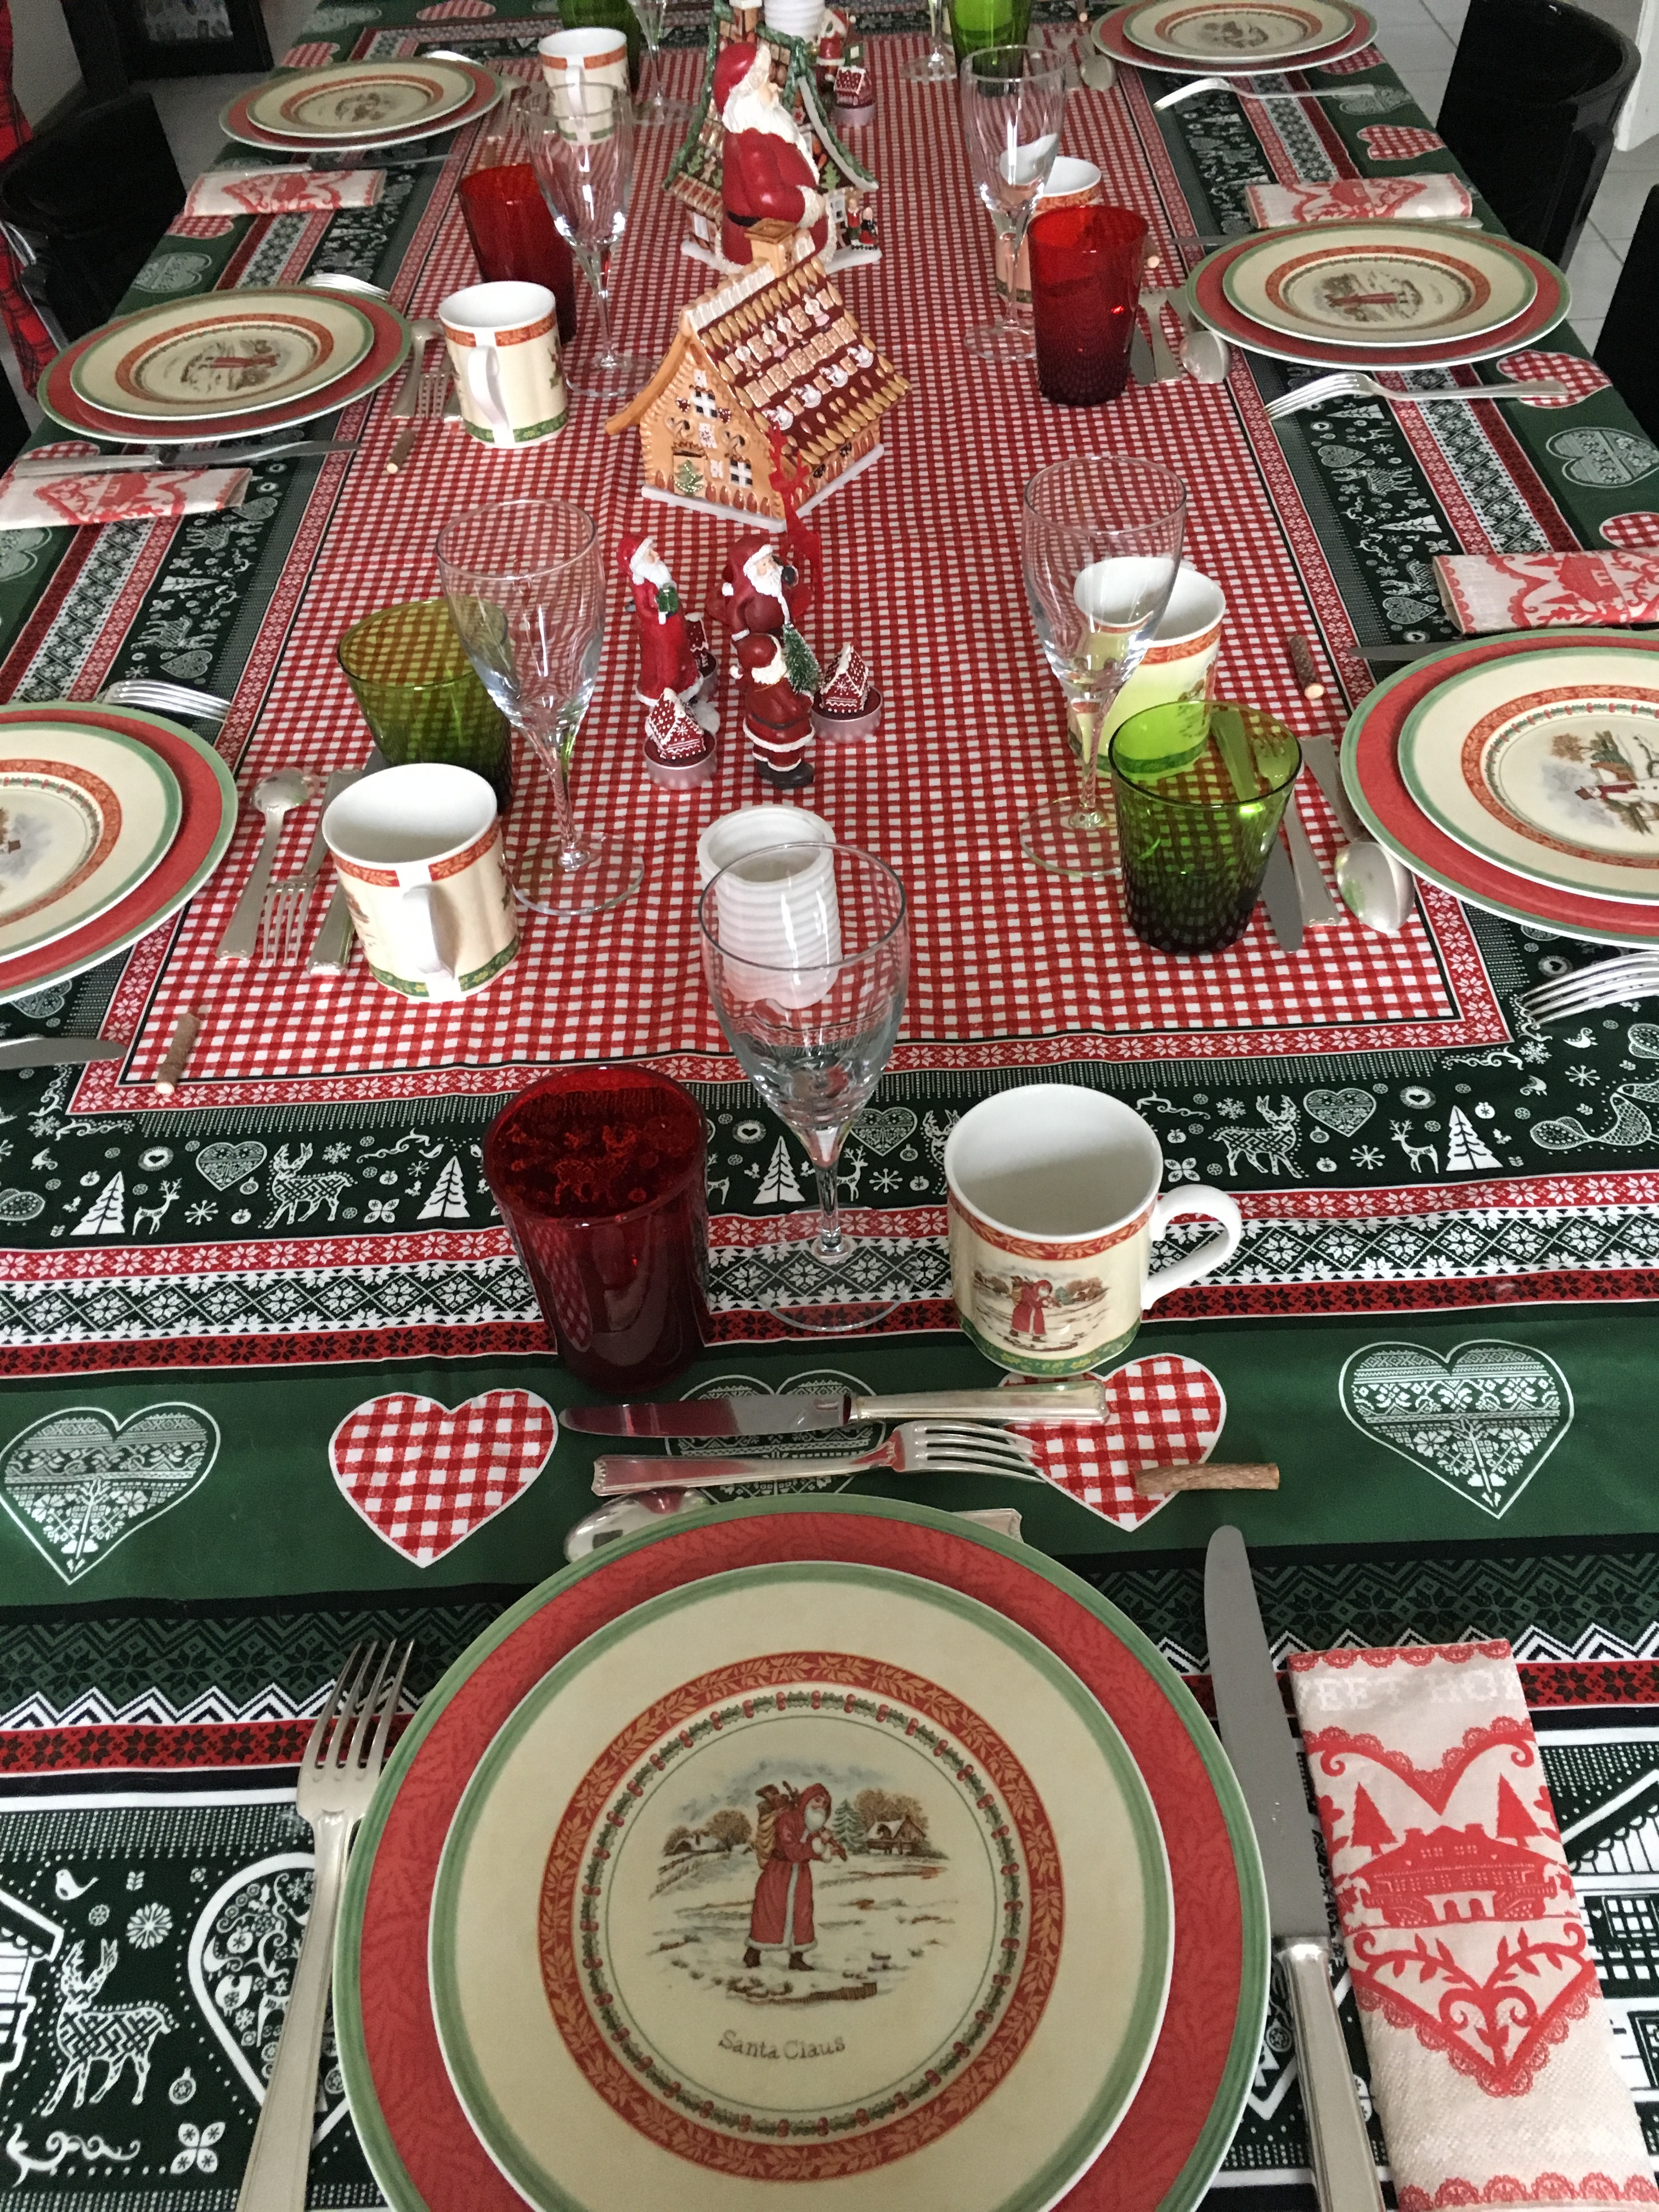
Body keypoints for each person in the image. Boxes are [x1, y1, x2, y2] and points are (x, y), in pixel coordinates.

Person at [716, 41, 830, 269]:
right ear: (746, 96)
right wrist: (807, 206)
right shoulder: (750, 143)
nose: (775, 88)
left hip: (792, 238)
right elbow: (768, 199)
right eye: (766, 83)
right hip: (765, 248)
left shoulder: (763, 126)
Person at [744, 1782, 844, 1970]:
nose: (820, 1806)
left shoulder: (812, 1825)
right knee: (770, 1913)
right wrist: (819, 1847)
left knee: (802, 1913)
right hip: (778, 1873)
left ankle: (797, 1957)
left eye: (825, 1804)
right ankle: (753, 1952)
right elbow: (793, 1851)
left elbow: (810, 1850)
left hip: (801, 1875)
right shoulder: (787, 1820)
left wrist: (825, 1851)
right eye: (817, 1800)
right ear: (807, 1800)